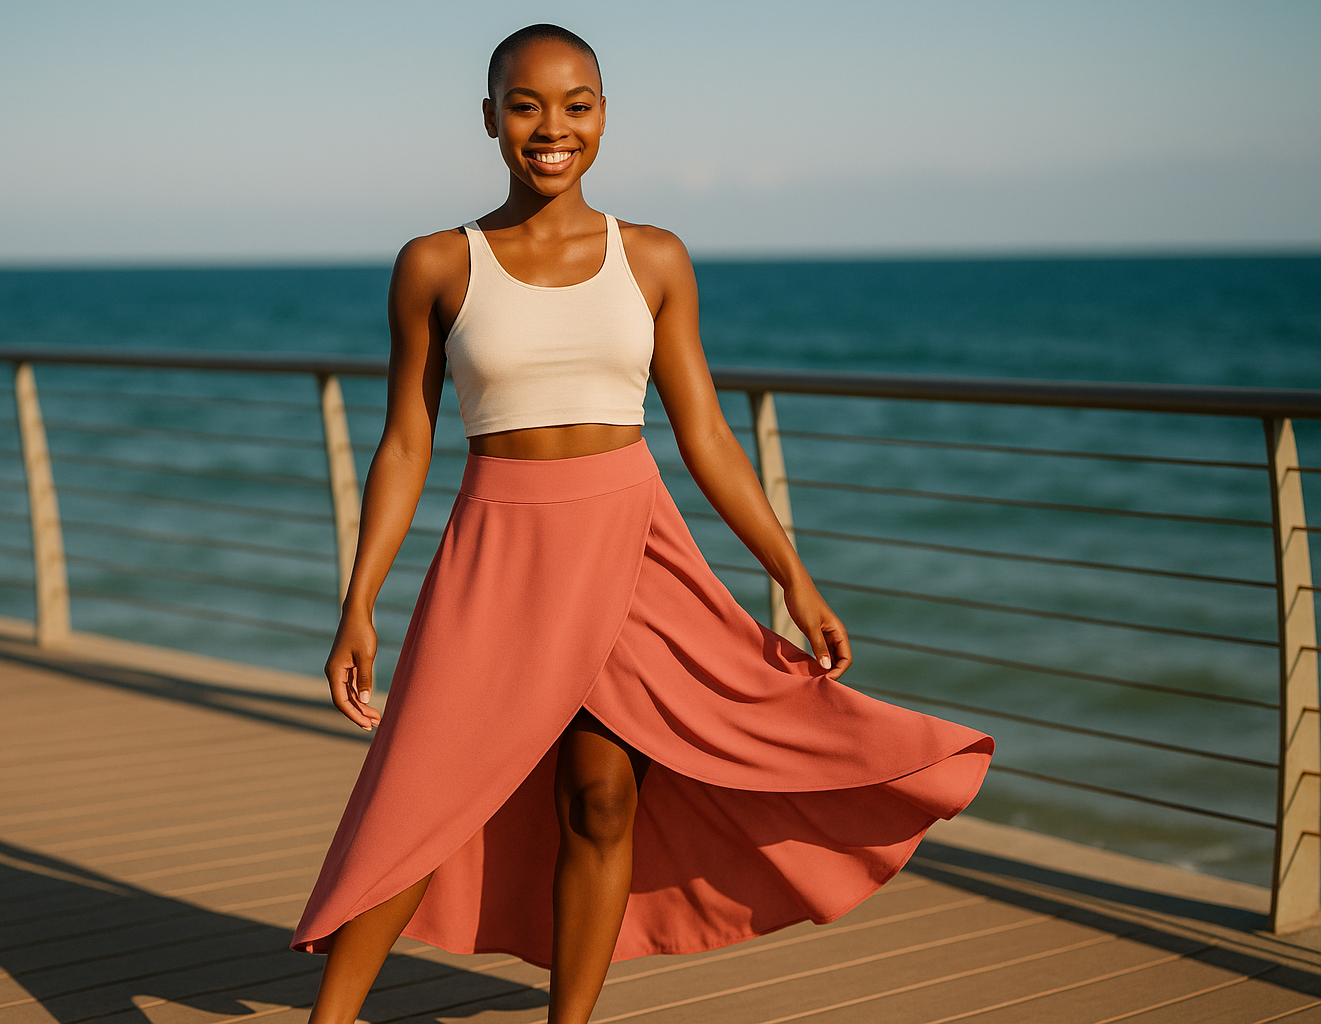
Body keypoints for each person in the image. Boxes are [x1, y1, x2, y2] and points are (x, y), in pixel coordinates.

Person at [291, 24, 993, 1024]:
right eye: (525, 104)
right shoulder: (438, 263)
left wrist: (791, 573)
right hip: (499, 550)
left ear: (605, 117)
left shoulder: (654, 257)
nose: (552, 127)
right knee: (426, 798)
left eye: (576, 104)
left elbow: (702, 430)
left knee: (603, 797)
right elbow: (406, 442)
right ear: (489, 119)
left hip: (630, 548)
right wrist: (358, 602)